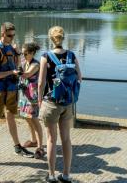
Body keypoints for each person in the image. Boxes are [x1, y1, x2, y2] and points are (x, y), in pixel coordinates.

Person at [0, 22, 34, 172]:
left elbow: (17, 67)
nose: (12, 38)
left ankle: (17, 147)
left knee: (11, 116)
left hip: (12, 89)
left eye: (14, 35)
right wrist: (9, 73)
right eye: (10, 35)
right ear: (3, 33)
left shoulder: (12, 48)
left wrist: (18, 54)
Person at [38, 26, 82, 183]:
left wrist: (39, 100)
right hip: (67, 104)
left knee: (51, 140)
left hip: (51, 102)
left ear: (50, 38)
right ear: (63, 38)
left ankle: (51, 175)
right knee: (66, 139)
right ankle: (66, 175)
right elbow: (79, 78)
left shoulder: (45, 57)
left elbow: (41, 83)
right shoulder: (71, 55)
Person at [18, 42, 45, 159]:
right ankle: (33, 140)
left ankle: (40, 147)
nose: (23, 55)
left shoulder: (36, 64)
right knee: (26, 117)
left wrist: (16, 69)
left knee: (34, 119)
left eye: (25, 53)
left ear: (32, 53)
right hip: (24, 95)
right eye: (22, 53)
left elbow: (26, 75)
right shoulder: (25, 62)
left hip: (33, 96)